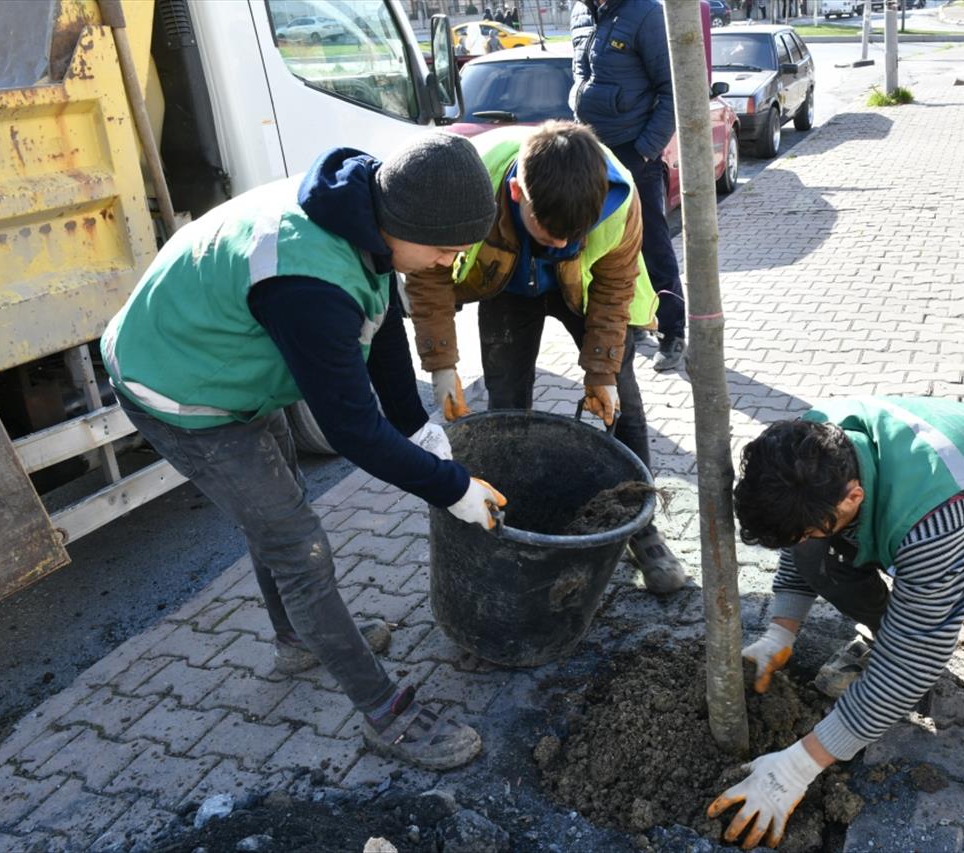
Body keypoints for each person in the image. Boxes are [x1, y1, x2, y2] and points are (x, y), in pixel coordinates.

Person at [101, 133, 504, 772]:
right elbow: (352, 432)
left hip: (226, 359)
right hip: (178, 387)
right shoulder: (308, 282)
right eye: (446, 249)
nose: (447, 265)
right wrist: (449, 487)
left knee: (281, 501)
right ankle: (384, 713)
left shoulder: (361, 208)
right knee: (298, 543)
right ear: (401, 224)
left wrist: (420, 429)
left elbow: (382, 324)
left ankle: (295, 636)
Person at [707, 397, 964, 849]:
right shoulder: (813, 450)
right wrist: (780, 632)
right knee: (820, 547)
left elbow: (916, 657)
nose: (805, 539)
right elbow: (800, 542)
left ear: (854, 496)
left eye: (813, 527)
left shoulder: (940, 510)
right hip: (944, 523)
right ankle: (900, 624)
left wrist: (796, 767)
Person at [401, 121, 687, 595]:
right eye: (549, 231)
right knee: (508, 401)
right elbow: (428, 276)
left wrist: (602, 373)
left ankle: (640, 526)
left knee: (624, 403)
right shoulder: (471, 185)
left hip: (586, 288)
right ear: (516, 192)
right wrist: (443, 365)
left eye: (573, 234)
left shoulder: (620, 201)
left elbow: (616, 288)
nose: (560, 244)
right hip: (507, 286)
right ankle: (508, 513)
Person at [570, 0, 687, 372]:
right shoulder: (580, 13)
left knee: (652, 246)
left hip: (636, 153)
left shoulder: (646, 12)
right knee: (602, 244)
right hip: (593, 152)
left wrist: (646, 151)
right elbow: (581, 75)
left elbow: (672, 91)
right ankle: (630, 321)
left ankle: (672, 331)